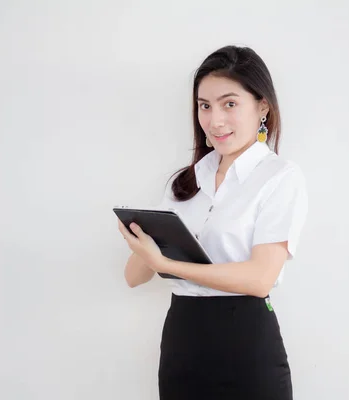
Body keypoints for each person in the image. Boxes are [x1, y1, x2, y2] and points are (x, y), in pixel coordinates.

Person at [117, 45, 308, 400]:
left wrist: (168, 264)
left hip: (246, 345)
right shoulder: (186, 183)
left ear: (262, 106)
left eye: (229, 104)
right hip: (182, 342)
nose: (215, 119)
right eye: (205, 106)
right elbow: (133, 277)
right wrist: (142, 240)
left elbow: (259, 277)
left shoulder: (279, 177)